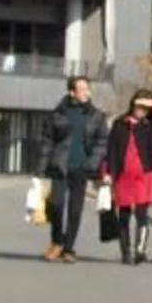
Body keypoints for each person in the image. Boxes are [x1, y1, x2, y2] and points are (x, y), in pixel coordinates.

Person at [100, 91, 152, 265]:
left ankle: (140, 250)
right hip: (123, 175)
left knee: (142, 214)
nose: (141, 110)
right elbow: (110, 150)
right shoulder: (120, 124)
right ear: (132, 105)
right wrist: (106, 172)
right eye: (139, 106)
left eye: (145, 108)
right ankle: (125, 251)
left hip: (145, 174)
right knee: (124, 215)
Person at [39, 75, 107, 262]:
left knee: (75, 210)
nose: (86, 92)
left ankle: (68, 248)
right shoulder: (58, 114)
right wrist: (41, 169)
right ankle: (56, 241)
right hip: (60, 166)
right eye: (82, 89)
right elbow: (47, 141)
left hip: (81, 169)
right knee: (56, 204)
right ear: (72, 92)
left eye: (87, 88)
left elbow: (102, 142)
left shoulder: (96, 116)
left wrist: (92, 163)